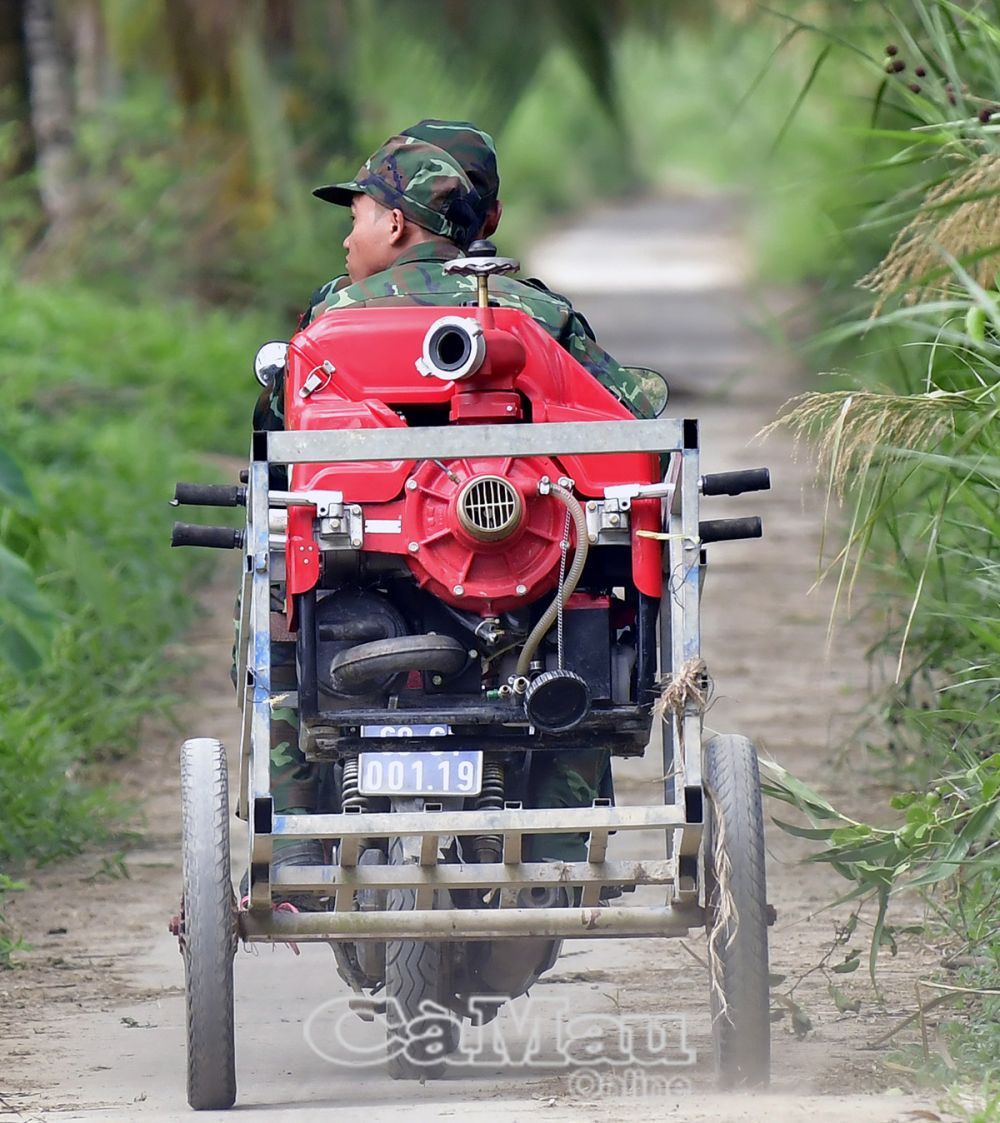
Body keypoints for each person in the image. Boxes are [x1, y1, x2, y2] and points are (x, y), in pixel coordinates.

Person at [253, 130, 653, 901]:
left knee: (286, 621)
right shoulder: (534, 310)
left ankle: (299, 841)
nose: (347, 234)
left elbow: (281, 433)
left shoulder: (330, 318)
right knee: (587, 631)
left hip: (372, 565)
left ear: (397, 225)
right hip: (529, 567)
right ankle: (564, 848)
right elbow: (628, 420)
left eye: (358, 214)